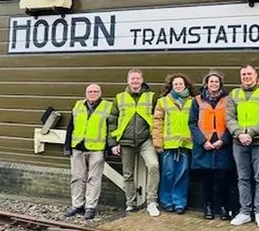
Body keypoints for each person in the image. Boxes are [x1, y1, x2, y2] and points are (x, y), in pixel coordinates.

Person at [225, 64, 259, 228]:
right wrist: (240, 134)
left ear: (256, 75)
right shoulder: (234, 94)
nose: (246, 77)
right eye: (244, 74)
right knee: (243, 178)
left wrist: (251, 133)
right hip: (239, 142)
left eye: (249, 74)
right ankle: (245, 212)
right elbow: (229, 117)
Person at [107, 68, 161, 216]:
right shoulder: (119, 98)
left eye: (137, 78)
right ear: (128, 80)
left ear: (142, 80)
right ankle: (130, 203)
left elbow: (158, 120)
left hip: (146, 139)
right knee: (127, 173)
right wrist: (113, 143)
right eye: (132, 79)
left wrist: (157, 139)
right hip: (125, 141)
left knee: (154, 166)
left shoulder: (151, 97)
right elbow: (112, 121)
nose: (135, 81)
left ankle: (151, 201)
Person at [63, 83, 112, 220]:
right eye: (90, 91)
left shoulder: (107, 107)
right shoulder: (78, 106)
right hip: (78, 147)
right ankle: (77, 205)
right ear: (86, 93)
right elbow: (70, 127)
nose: (92, 94)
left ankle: (90, 206)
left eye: (95, 91)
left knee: (94, 178)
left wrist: (108, 148)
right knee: (77, 177)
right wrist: (67, 146)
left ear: (100, 93)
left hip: (97, 148)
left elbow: (110, 129)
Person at [189, 71, 234, 220]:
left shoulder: (228, 100)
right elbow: (192, 123)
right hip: (204, 145)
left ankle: (223, 207)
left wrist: (224, 140)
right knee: (206, 179)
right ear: (206, 84)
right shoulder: (197, 101)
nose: (214, 84)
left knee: (222, 179)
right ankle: (207, 207)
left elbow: (233, 121)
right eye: (211, 81)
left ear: (220, 84)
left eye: (216, 81)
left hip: (222, 145)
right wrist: (203, 141)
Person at [153, 73, 195, 214]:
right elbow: (157, 123)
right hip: (168, 144)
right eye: (175, 84)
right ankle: (167, 201)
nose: (178, 86)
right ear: (171, 86)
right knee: (168, 173)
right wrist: (158, 142)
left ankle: (179, 202)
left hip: (185, 144)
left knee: (183, 174)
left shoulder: (193, 101)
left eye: (180, 84)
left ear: (185, 85)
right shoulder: (163, 101)